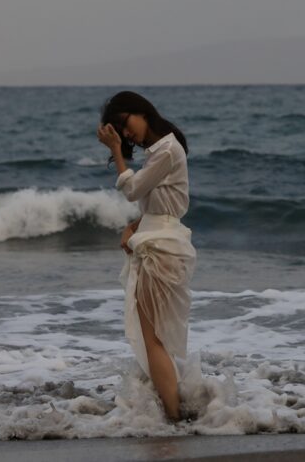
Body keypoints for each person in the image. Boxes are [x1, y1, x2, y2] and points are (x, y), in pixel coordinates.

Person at [96, 91, 196, 423]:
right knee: (157, 339)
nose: (126, 134)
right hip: (158, 240)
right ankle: (174, 411)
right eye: (120, 132)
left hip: (161, 246)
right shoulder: (161, 152)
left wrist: (115, 152)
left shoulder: (166, 150)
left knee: (154, 339)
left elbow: (133, 190)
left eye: (125, 124)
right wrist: (135, 226)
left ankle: (174, 419)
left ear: (142, 112)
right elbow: (161, 203)